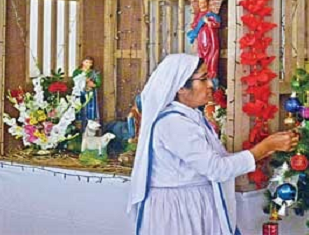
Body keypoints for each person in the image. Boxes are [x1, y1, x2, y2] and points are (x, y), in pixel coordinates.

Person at [128, 54, 298, 235]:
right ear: (180, 87)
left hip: (192, 204)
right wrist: (265, 147)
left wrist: (268, 148)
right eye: (203, 79)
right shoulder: (173, 123)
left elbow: (218, 162)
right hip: (178, 211)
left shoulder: (191, 117)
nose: (211, 84)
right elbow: (217, 169)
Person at [72, 56, 101, 129]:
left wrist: (93, 84)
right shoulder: (77, 72)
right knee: (79, 109)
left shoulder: (94, 73)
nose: (88, 64)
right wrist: (84, 81)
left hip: (90, 93)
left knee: (90, 109)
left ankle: (90, 128)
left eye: (90, 63)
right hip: (79, 92)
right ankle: (78, 128)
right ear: (83, 62)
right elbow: (75, 81)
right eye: (86, 62)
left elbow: (98, 82)